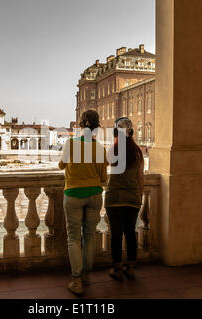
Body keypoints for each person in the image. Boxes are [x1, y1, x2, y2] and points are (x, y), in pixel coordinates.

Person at [58, 110, 108, 295]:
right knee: (89, 236)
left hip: (73, 194)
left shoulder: (71, 144)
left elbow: (61, 165)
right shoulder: (101, 149)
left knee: (73, 237)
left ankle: (77, 281)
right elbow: (104, 177)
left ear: (80, 125)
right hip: (95, 195)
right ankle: (86, 276)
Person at [104, 117, 144, 280]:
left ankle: (117, 268)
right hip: (133, 197)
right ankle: (131, 267)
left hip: (114, 197)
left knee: (116, 234)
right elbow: (141, 177)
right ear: (131, 133)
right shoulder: (138, 152)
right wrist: (139, 195)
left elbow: (101, 172)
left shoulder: (112, 150)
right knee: (130, 232)